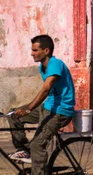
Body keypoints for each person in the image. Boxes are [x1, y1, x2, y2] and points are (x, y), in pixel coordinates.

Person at [8, 35, 75, 175]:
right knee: (14, 115)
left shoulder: (55, 64)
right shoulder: (42, 67)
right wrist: (24, 110)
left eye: (35, 50)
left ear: (46, 50)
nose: (32, 53)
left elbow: (46, 89)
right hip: (48, 107)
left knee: (37, 145)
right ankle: (23, 150)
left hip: (61, 111)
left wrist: (28, 108)